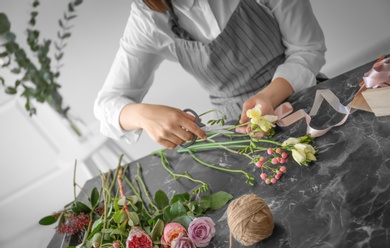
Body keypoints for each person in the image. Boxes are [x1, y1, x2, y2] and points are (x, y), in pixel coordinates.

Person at [94, 0, 326, 149]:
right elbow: (106, 104)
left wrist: (268, 97)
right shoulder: (147, 20)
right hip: (239, 137)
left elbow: (307, 49)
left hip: (306, 103)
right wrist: (143, 115)